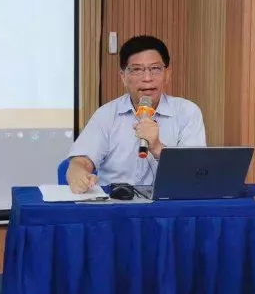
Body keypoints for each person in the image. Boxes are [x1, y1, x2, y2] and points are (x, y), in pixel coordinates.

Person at [65, 35, 206, 193]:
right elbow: (82, 160)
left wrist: (157, 147)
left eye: (155, 69)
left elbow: (196, 172)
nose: (147, 78)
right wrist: (77, 172)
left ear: (167, 74)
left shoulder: (187, 112)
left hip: (168, 203)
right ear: (123, 77)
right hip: (116, 202)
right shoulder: (106, 114)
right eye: (137, 70)